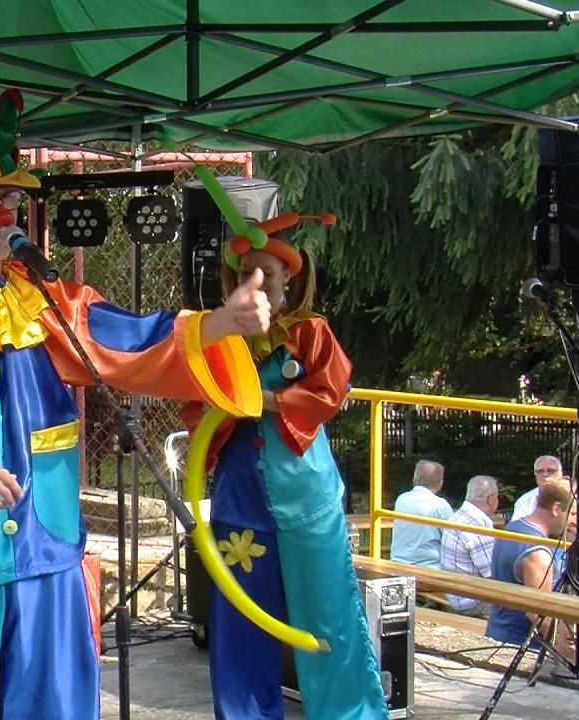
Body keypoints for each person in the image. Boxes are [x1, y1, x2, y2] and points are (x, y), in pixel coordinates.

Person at [0, 90, 269, 720]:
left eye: (9, 198)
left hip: (45, 545)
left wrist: (218, 323)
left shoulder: (45, 298)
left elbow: (127, 341)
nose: (2, 213)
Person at [180, 208, 388, 719]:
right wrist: (224, 406)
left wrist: (264, 400)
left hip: (306, 495)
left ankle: (350, 714)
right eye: (246, 273)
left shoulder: (311, 332)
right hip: (240, 497)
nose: (256, 281)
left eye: (266, 273)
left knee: (328, 613)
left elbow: (328, 392)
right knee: (241, 619)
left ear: (287, 277)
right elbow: (197, 404)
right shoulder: (219, 338)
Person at [486, 477, 576, 658]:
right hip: (521, 648)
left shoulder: (512, 528)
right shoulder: (538, 553)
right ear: (556, 508)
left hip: (498, 633)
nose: (573, 521)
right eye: (572, 514)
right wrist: (566, 653)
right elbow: (538, 614)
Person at [440, 475, 500, 616]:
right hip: (472, 601)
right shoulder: (477, 523)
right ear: (491, 499)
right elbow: (492, 572)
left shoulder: (459, 515)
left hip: (456, 593)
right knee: (527, 603)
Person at [390, 460, 453, 569]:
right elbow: (453, 539)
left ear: (415, 478)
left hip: (398, 563)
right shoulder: (440, 505)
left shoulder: (401, 499)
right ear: (440, 483)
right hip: (430, 567)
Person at [511, 454, 564, 522]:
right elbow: (517, 527)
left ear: (561, 473)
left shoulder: (573, 496)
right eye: (540, 471)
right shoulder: (524, 501)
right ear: (535, 474)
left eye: (550, 471)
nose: (545, 474)